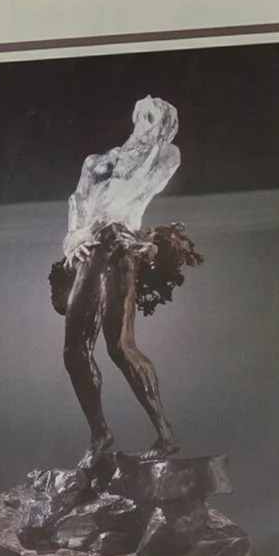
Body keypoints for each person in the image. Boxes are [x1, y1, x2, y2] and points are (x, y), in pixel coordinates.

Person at [47, 92, 200, 457]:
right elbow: (79, 200)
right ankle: (101, 433)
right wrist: (74, 237)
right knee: (78, 349)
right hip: (92, 247)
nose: (142, 125)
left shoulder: (164, 154)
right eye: (140, 116)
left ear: (164, 126)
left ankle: (162, 433)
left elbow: (135, 190)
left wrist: (103, 230)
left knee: (119, 346)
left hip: (118, 244)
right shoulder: (99, 161)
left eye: (153, 118)